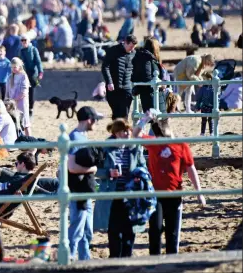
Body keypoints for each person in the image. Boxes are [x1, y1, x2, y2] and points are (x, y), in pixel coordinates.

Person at [131, 112, 206, 255]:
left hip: (175, 194)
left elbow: (191, 169)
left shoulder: (181, 146)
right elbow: (135, 135)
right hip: (156, 195)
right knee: (155, 229)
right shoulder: (154, 143)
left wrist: (199, 192)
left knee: (172, 232)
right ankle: (155, 260)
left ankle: (172, 261)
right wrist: (144, 119)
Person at [92, 119, 148, 258]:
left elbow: (143, 167)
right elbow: (94, 170)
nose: (128, 133)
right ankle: (115, 256)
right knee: (114, 228)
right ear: (117, 133)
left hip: (131, 193)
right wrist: (108, 173)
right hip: (113, 194)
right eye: (125, 131)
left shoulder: (135, 147)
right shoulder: (105, 148)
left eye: (129, 130)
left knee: (130, 227)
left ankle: (127, 255)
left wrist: (138, 176)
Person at [66, 106, 104, 261]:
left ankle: (84, 260)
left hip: (84, 188)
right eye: (95, 120)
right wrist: (93, 168)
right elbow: (72, 167)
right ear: (89, 120)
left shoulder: (82, 137)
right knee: (77, 227)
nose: (96, 123)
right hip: (78, 189)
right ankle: (68, 259)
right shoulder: (75, 138)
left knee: (86, 230)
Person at [102, 34, 137, 119]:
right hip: (113, 88)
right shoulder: (112, 51)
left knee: (124, 114)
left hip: (127, 88)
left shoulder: (134, 53)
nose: (132, 49)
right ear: (125, 43)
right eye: (131, 46)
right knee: (116, 114)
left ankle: (124, 129)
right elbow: (105, 67)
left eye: (134, 47)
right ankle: (116, 131)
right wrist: (109, 82)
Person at [132, 37, 166, 113]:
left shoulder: (147, 58)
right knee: (155, 119)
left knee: (156, 120)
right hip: (151, 94)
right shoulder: (147, 59)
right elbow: (147, 78)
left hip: (152, 93)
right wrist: (159, 84)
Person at [19, 35, 43, 117]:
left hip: (33, 74)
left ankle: (31, 109)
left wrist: (40, 72)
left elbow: (38, 61)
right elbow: (19, 62)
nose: (23, 42)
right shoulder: (21, 51)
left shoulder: (33, 49)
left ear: (29, 41)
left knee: (31, 92)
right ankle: (25, 108)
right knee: (24, 91)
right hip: (24, 73)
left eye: (25, 40)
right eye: (22, 40)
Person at [6, 58, 31, 136]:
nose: (13, 69)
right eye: (12, 67)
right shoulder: (10, 77)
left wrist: (14, 100)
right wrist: (7, 101)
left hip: (21, 104)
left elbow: (24, 92)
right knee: (14, 123)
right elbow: (7, 91)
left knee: (25, 124)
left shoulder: (23, 76)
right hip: (11, 105)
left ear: (19, 66)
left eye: (15, 67)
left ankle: (30, 142)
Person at [194, 71, 215, 136]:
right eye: (203, 79)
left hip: (212, 107)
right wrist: (197, 107)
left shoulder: (214, 88)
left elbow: (217, 98)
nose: (204, 80)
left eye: (205, 79)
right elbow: (199, 99)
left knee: (211, 120)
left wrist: (217, 106)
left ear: (210, 78)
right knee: (203, 120)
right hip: (204, 106)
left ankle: (211, 132)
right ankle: (202, 132)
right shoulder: (202, 88)